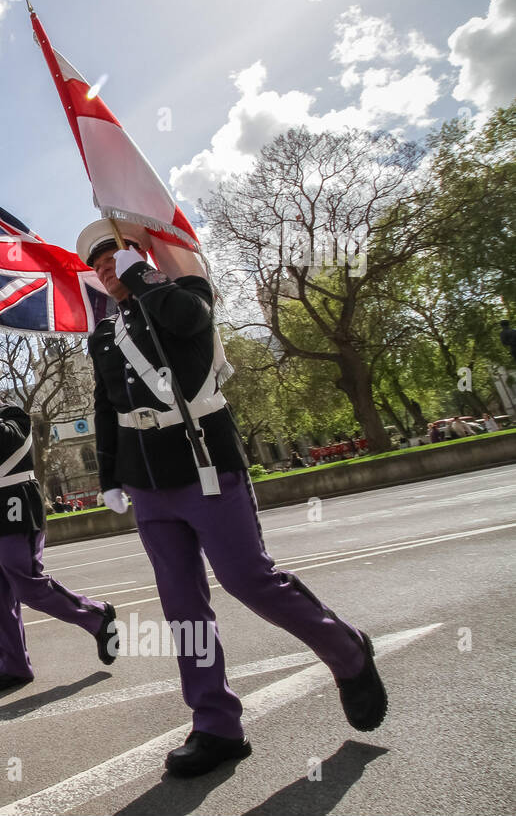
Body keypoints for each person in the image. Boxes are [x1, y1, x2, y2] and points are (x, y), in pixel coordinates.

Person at [79, 217, 386, 777]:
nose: (105, 268)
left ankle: (346, 650)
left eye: (113, 257)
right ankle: (216, 723)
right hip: (147, 481)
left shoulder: (183, 291)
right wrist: (109, 476)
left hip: (204, 464)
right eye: (97, 265)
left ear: (138, 255)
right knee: (182, 607)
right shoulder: (102, 333)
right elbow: (107, 406)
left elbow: (192, 324)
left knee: (249, 579)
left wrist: (146, 281)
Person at [0, 361, 118, 696]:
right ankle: (13, 664)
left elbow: (8, 443)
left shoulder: (13, 415)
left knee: (28, 583)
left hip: (13, 510)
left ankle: (96, 616)